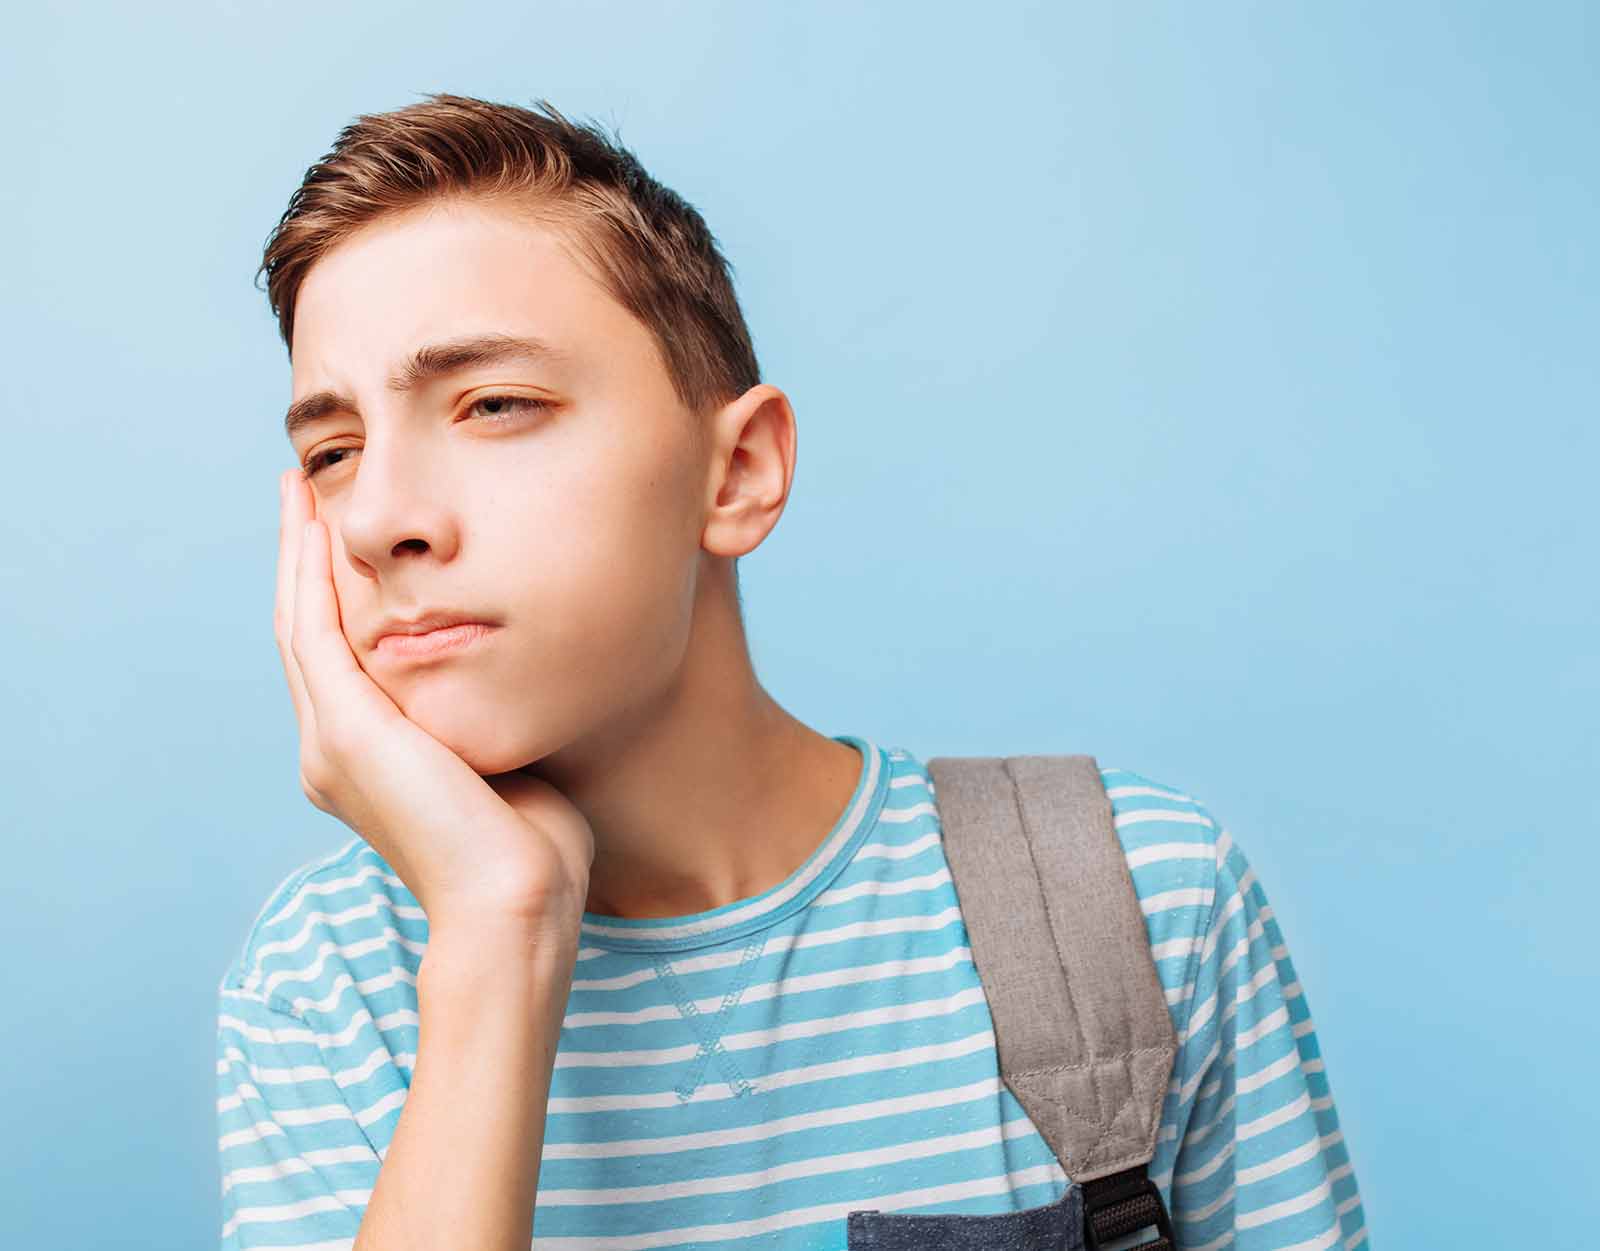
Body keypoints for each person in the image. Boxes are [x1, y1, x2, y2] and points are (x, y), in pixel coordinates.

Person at [216, 92, 1369, 1251]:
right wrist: (495, 929)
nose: (375, 518)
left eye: (496, 403)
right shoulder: (328, 988)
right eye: (332, 452)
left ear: (739, 473)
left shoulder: (1135, 899)